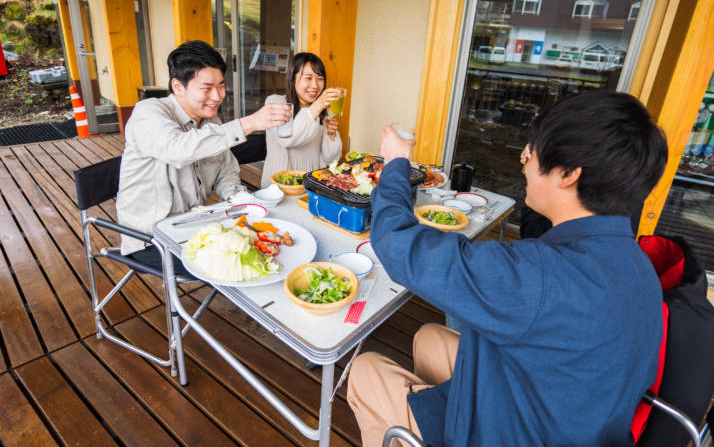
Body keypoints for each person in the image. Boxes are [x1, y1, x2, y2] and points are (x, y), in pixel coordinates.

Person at [347, 91, 669, 446]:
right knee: (429, 336)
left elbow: (398, 244)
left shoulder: (540, 274)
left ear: (568, 174)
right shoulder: (639, 266)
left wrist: (396, 165)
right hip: (570, 414)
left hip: (508, 432)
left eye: (531, 151)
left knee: (365, 371)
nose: (523, 159)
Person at [116, 40, 292, 268]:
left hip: (193, 226)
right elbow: (178, 149)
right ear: (178, 87)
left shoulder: (210, 121)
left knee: (272, 243)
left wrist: (240, 198)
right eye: (207, 88)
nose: (218, 96)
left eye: (221, 86)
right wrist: (249, 123)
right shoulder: (148, 113)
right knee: (243, 259)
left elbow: (226, 171)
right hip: (151, 240)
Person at [260, 52, 343, 188]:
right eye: (308, 78)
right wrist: (318, 105)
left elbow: (329, 160)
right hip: (280, 186)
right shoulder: (276, 102)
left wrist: (331, 135)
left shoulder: (324, 111)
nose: (315, 85)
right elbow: (286, 139)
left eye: (320, 78)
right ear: (293, 78)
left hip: (310, 186)